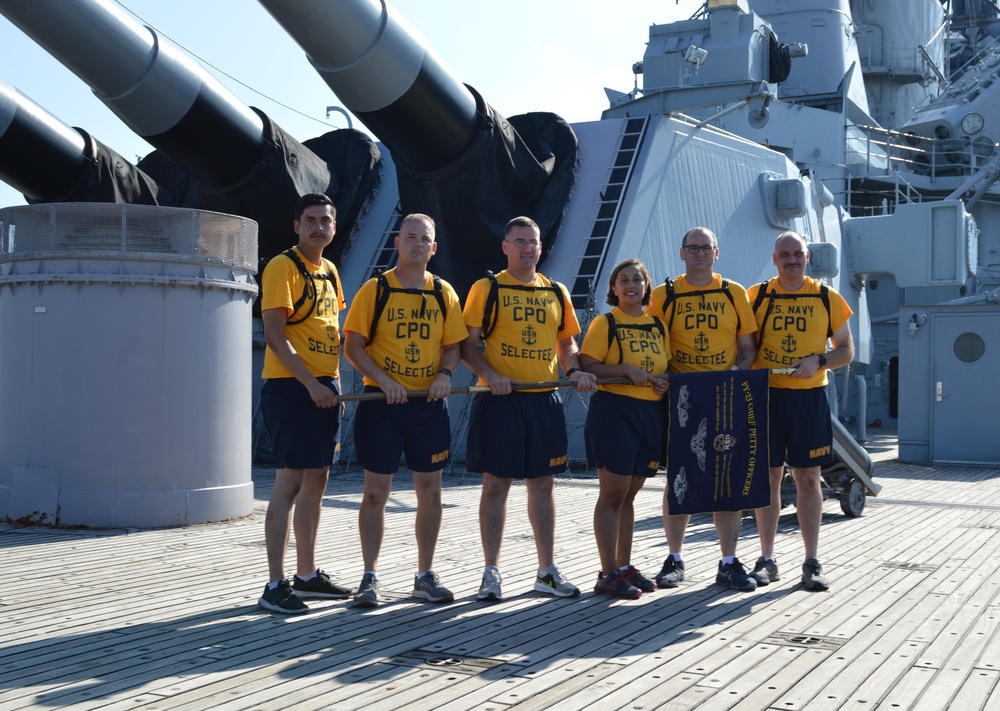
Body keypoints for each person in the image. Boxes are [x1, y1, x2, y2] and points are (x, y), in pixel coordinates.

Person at [461, 216, 597, 602]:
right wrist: (490, 374)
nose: (526, 248)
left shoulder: (555, 291)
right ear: (505, 246)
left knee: (543, 486)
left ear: (540, 247)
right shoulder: (486, 288)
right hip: (500, 399)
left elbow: (567, 345)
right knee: (496, 486)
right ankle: (491, 572)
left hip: (543, 399)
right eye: (519, 241)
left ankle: (546, 572)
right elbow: (467, 346)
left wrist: (574, 371)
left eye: (533, 242)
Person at [343, 214, 468, 607]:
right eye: (410, 237)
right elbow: (353, 346)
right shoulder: (375, 289)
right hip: (381, 404)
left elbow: (453, 345)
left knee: (430, 492)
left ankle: (424, 575)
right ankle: (370, 577)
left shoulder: (444, 292)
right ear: (397, 243)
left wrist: (446, 373)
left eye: (425, 239)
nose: (417, 244)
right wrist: (384, 380)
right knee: (376, 493)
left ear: (434, 248)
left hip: (428, 405)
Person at [647, 227, 761, 592]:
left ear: (717, 253)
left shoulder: (734, 293)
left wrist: (739, 370)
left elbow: (747, 345)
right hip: (681, 396)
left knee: (726, 478)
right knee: (677, 478)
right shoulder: (664, 295)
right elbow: (651, 340)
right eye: (692, 248)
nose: (699, 253)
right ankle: (674, 558)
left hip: (724, 395)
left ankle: (728, 561)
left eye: (706, 248)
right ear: (681, 253)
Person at [257, 192, 352, 614]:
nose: (318, 227)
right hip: (292, 389)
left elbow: (332, 332)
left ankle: (307, 576)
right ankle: (274, 584)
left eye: (325, 221)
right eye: (310, 220)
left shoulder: (330, 270)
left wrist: (333, 384)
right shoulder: (283, 266)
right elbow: (275, 334)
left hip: (322, 389)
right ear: (296, 226)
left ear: (333, 227)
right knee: (289, 484)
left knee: (318, 482)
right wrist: (312, 385)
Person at [748, 231, 854, 591]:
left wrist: (819, 360)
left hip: (808, 399)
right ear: (774, 258)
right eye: (784, 254)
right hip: (768, 398)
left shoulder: (827, 298)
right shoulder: (757, 296)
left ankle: (811, 561)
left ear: (807, 258)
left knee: (809, 479)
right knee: (769, 479)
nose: (791, 260)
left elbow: (846, 351)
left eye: (797, 254)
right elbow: (740, 344)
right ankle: (767, 560)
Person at [580, 259, 670, 599]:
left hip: (649, 413)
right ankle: (607, 573)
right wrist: (625, 369)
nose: (631, 285)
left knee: (630, 496)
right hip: (615, 412)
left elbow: (663, 365)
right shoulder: (606, 323)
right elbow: (589, 364)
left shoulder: (658, 325)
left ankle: (624, 566)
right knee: (613, 495)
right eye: (624, 280)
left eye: (637, 279)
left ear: (646, 286)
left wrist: (660, 383)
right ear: (614, 288)